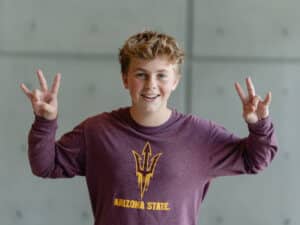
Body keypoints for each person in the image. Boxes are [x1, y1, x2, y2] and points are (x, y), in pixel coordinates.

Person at [20, 30, 278, 225]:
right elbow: (45, 164)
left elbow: (255, 159)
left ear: (175, 80)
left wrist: (258, 125)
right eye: (141, 74)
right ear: (125, 79)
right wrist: (45, 121)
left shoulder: (201, 136)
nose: (151, 85)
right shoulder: (97, 131)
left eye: (161, 75)